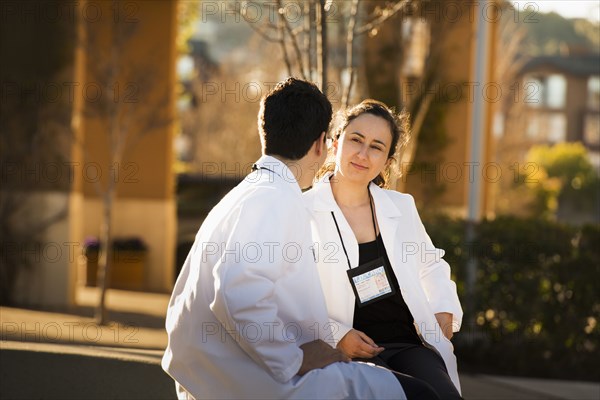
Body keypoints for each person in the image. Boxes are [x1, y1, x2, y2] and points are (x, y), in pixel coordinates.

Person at [161, 79, 409, 399]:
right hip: (256, 382)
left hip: (220, 375)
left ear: (264, 132)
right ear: (321, 144)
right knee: (421, 394)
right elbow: (238, 291)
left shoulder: (248, 194)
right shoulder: (273, 198)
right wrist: (295, 357)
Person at [304, 100, 464, 399]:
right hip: (349, 351)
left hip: (407, 344)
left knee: (444, 395)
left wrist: (443, 306)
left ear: (388, 161)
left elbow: (430, 263)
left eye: (377, 147)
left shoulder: (401, 206)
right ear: (335, 143)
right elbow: (290, 297)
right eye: (356, 140)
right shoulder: (303, 211)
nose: (363, 154)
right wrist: (338, 335)